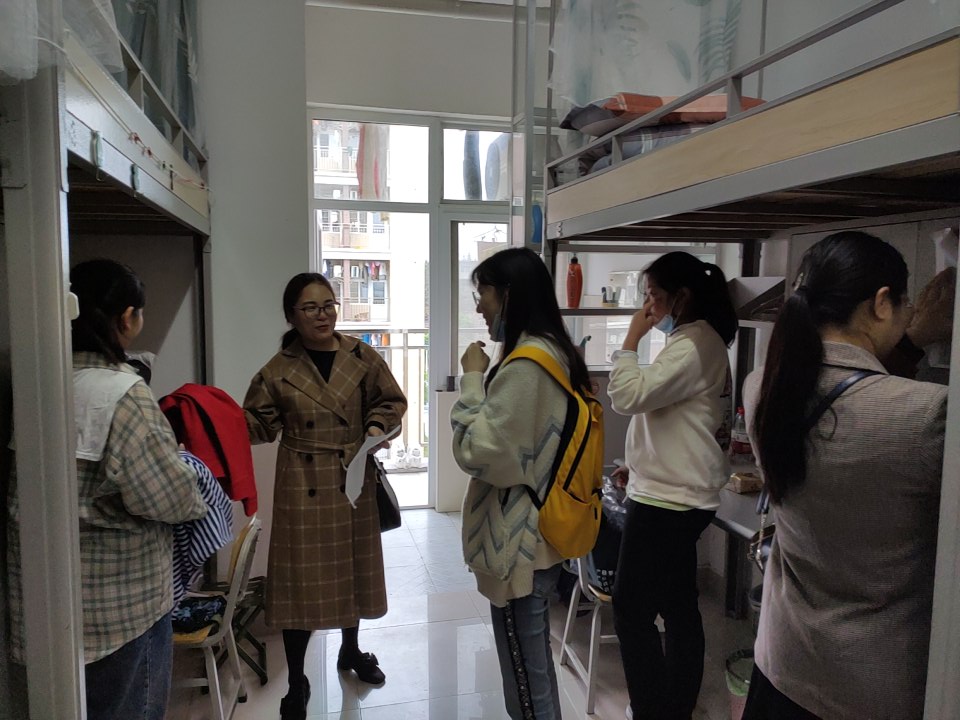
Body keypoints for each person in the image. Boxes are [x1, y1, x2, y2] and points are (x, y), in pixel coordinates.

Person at [742, 231, 949, 720]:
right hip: (869, 686)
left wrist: (910, 341)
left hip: (781, 664)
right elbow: (879, 410)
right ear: (881, 303)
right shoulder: (932, 415)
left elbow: (855, 400)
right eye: (905, 305)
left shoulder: (761, 388)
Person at [6, 258, 207, 720]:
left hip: (43, 604)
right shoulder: (122, 394)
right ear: (126, 318)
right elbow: (172, 499)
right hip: (121, 610)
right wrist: (186, 470)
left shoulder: (36, 385)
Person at [243, 272, 406, 720]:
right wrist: (220, 423)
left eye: (329, 305)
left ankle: (351, 650)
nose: (323, 315)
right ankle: (296, 680)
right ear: (291, 316)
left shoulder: (362, 356)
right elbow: (258, 424)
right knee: (299, 583)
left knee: (350, 570)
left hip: (352, 478)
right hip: (302, 480)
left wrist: (376, 427)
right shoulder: (277, 370)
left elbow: (391, 402)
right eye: (311, 308)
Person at [451, 247, 591, 720]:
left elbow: (477, 452)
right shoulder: (553, 352)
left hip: (520, 544)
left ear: (509, 294)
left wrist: (472, 379)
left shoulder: (527, 366)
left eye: (483, 293)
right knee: (535, 667)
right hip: (539, 534)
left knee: (526, 681)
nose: (478, 306)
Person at [607, 251, 738, 720]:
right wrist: (637, 467)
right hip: (672, 492)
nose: (648, 308)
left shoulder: (693, 344)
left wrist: (630, 339)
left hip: (668, 503)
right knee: (678, 604)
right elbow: (672, 417)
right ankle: (675, 706)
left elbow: (627, 395)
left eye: (654, 296)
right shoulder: (695, 341)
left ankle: (654, 710)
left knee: (631, 610)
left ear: (682, 297)